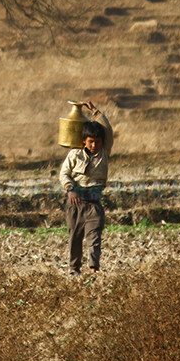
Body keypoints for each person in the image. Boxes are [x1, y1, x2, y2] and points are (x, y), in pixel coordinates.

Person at [58, 101, 113, 276]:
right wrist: (70, 188)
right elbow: (64, 174)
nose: (94, 145)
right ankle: (74, 269)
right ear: (84, 141)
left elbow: (108, 130)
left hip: (94, 203)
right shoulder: (74, 154)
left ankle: (93, 268)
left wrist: (95, 111)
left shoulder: (104, 153)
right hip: (75, 203)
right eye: (90, 142)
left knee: (94, 237)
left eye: (97, 142)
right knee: (75, 238)